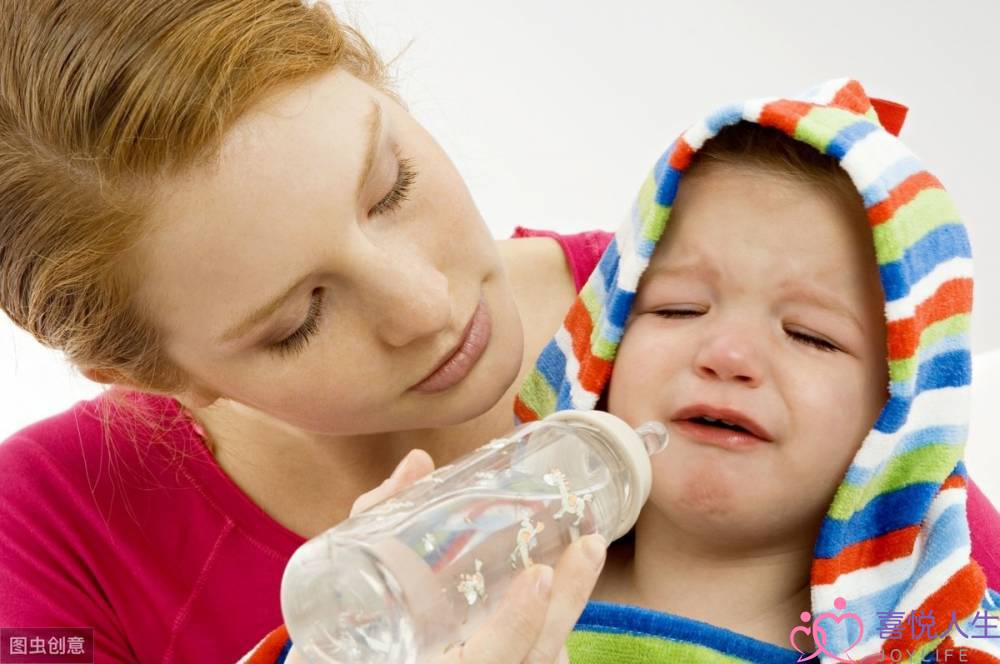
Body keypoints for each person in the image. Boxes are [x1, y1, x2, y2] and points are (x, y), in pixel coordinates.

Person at [0, 2, 610, 662]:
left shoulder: (704, 311)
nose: (427, 308)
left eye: (391, 188)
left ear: (371, 78)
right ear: (157, 373)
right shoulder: (48, 535)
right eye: (299, 322)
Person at [514, 79, 1000, 661]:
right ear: (603, 347)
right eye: (680, 308)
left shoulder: (939, 646)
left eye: (810, 336)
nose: (727, 355)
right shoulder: (485, 585)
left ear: (903, 412)